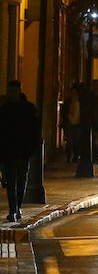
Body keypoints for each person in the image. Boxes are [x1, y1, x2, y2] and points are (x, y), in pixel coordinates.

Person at [0, 80, 40, 222]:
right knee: (11, 183)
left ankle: (17, 207)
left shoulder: (28, 109)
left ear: (18, 91)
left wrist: (32, 148)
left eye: (14, 91)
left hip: (23, 151)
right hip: (10, 152)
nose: (12, 94)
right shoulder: (4, 110)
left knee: (21, 182)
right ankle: (13, 209)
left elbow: (34, 130)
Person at [60, 84, 82, 163]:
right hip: (69, 124)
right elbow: (64, 112)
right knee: (70, 141)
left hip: (78, 124)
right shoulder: (68, 101)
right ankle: (69, 157)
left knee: (76, 141)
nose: (74, 94)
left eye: (75, 92)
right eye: (72, 92)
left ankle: (75, 156)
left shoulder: (80, 101)